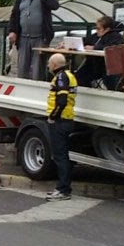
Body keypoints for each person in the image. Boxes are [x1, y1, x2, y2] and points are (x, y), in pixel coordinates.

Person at [7, 0, 61, 80]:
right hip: (23, 37)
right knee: (22, 68)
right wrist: (12, 31)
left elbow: (55, 5)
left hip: (40, 37)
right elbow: (15, 14)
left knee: (37, 70)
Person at [45, 52, 77, 201]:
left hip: (61, 121)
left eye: (49, 64)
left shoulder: (61, 77)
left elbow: (62, 100)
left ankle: (63, 190)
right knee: (63, 156)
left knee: (60, 156)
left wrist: (53, 117)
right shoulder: (69, 75)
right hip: (67, 119)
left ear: (54, 65)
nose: (48, 66)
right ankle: (63, 188)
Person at [75, 15, 124, 89]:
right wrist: (70, 43)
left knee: (110, 81)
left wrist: (94, 48)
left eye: (99, 28)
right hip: (94, 65)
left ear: (107, 29)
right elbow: (84, 40)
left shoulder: (116, 37)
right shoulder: (96, 36)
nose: (97, 30)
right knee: (79, 75)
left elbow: (114, 48)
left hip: (108, 67)